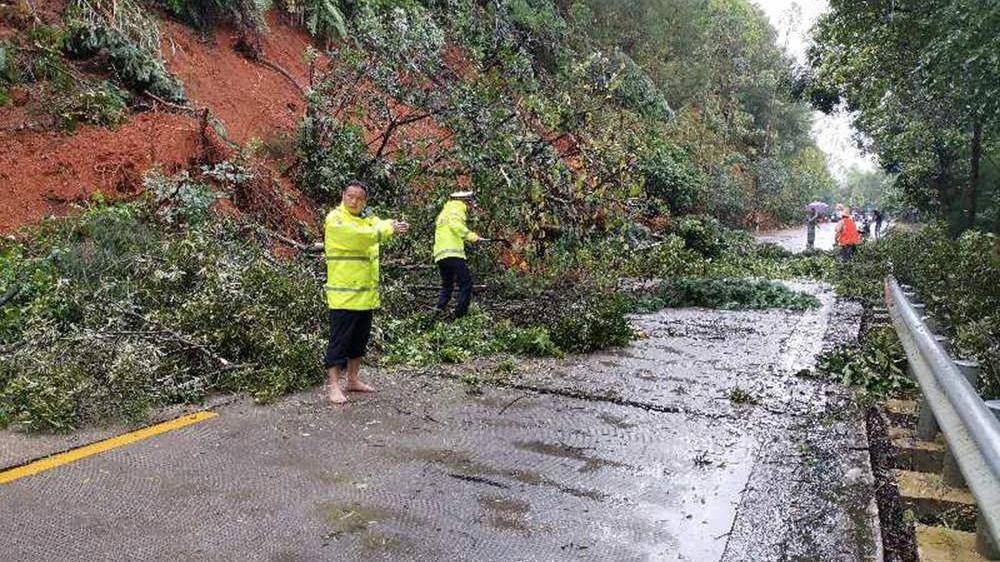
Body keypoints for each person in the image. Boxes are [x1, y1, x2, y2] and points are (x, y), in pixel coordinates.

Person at [323, 181, 409, 404]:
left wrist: (392, 223)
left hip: (364, 296)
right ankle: (333, 386)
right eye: (350, 196)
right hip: (343, 296)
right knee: (338, 343)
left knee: (358, 342)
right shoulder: (336, 219)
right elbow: (361, 236)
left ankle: (352, 379)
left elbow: (377, 223)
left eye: (359, 198)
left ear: (365, 201)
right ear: (343, 196)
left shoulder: (366, 220)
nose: (353, 201)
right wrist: (389, 229)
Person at [433, 191, 481, 318]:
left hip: (440, 255)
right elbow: (456, 226)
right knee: (466, 284)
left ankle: (437, 313)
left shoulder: (444, 211)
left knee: (447, 286)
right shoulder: (457, 209)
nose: (471, 205)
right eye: (470, 201)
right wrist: (471, 236)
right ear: (465, 201)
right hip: (453, 253)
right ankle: (459, 316)